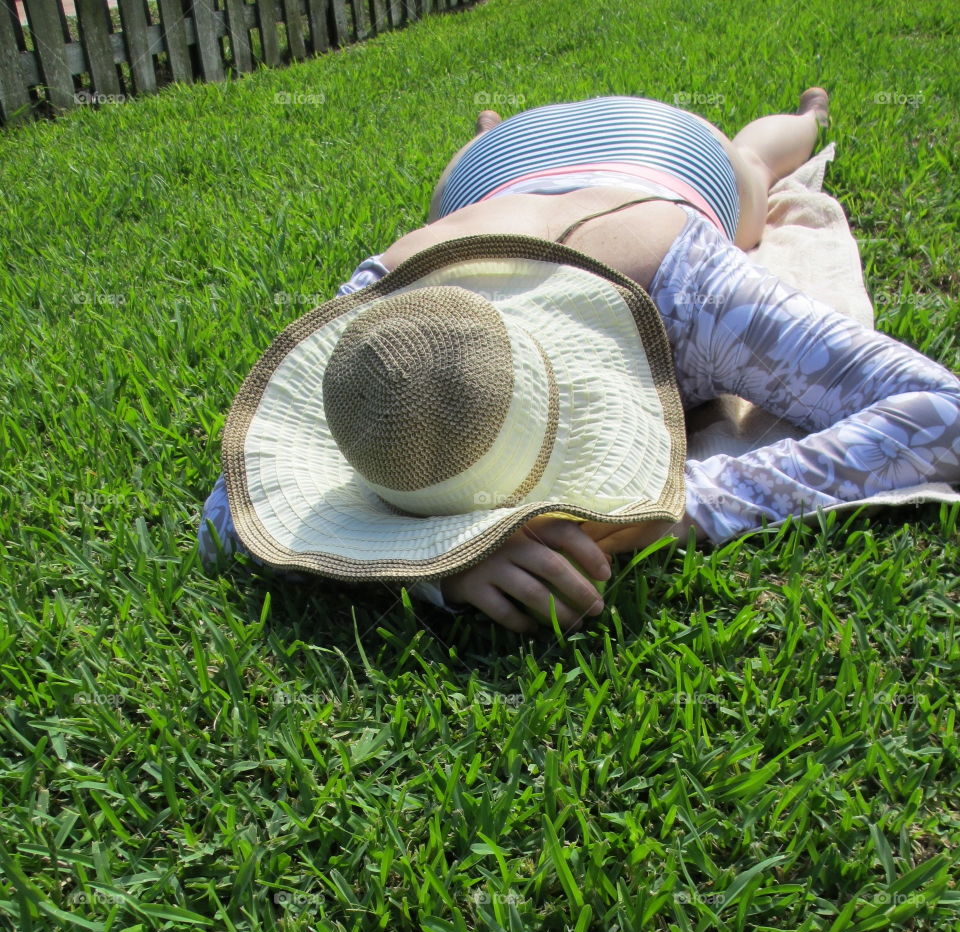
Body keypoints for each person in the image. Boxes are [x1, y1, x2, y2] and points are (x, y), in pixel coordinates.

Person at [199, 91, 960, 635]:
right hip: (485, 175)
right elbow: (235, 511)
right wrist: (435, 567)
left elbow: (943, 410)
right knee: (487, 147)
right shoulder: (388, 322)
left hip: (664, 152)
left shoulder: (687, 290)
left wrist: (675, 509)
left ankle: (810, 113)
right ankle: (495, 126)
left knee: (757, 169)